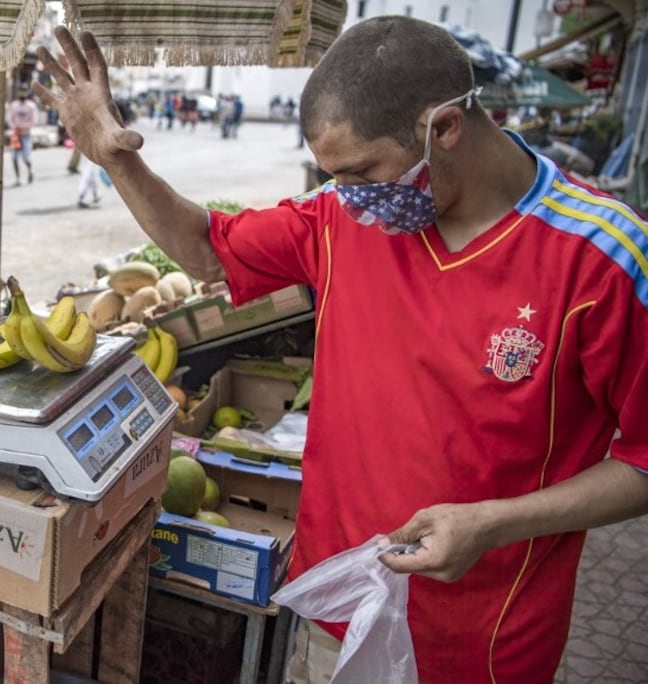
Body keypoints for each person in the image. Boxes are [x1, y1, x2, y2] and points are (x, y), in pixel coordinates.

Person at [35, 19, 648, 683]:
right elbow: (209, 248)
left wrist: (495, 524)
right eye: (336, 177)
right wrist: (118, 158)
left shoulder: (605, 259)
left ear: (443, 128)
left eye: (361, 171)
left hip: (482, 645)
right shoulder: (341, 216)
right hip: (334, 609)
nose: (351, 197)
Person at [7, 88, 40, 185]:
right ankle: (17, 178)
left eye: (23, 93)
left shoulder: (31, 106)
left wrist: (23, 127)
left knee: (26, 158)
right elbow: (9, 118)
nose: (21, 95)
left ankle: (30, 171)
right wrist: (15, 126)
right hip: (16, 136)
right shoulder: (14, 106)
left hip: (26, 135)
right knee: (14, 158)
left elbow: (34, 120)